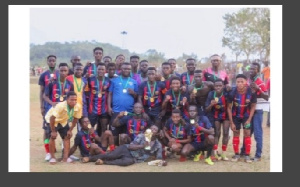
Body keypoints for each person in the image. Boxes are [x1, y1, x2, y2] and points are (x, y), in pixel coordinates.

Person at [81, 125, 163, 166]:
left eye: (155, 129)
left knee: (125, 163)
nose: (152, 130)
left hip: (134, 158)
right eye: (151, 128)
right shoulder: (142, 136)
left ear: (158, 133)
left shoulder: (158, 145)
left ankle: (104, 162)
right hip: (126, 149)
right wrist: (142, 146)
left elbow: (159, 158)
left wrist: (162, 162)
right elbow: (131, 146)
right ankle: (90, 158)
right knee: (111, 155)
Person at [240, 62, 269, 162]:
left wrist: (258, 89)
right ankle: (243, 151)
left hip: (257, 111)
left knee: (257, 133)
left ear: (258, 70)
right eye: (250, 69)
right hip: (248, 111)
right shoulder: (248, 80)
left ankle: (258, 155)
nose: (252, 70)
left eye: (254, 69)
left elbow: (266, 96)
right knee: (247, 131)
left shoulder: (260, 81)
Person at [45, 91, 82, 164]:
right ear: (67, 100)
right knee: (53, 137)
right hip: (52, 121)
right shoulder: (61, 106)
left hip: (63, 121)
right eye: (71, 100)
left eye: (75, 100)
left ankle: (66, 158)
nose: (74, 101)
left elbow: (75, 119)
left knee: (67, 137)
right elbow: (52, 118)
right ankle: (52, 158)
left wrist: (70, 130)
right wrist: (53, 131)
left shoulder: (78, 106)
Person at [227, 74, 257, 163]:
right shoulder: (232, 92)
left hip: (246, 116)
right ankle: (236, 154)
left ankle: (247, 155)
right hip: (235, 116)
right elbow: (228, 108)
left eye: (242, 82)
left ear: (246, 82)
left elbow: (253, 106)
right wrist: (231, 122)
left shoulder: (251, 92)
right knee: (236, 133)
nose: (239, 83)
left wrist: (249, 119)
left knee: (247, 133)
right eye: (238, 82)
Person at [108, 62, 138, 145]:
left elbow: (137, 97)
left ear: (130, 70)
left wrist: (134, 93)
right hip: (116, 110)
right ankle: (113, 151)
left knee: (126, 133)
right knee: (114, 132)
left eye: (128, 69)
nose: (126, 70)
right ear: (121, 69)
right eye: (125, 68)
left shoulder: (134, 82)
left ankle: (124, 150)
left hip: (129, 112)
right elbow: (110, 94)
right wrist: (109, 107)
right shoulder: (114, 81)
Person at [38, 55, 59, 161]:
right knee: (47, 130)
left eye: (53, 61)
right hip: (47, 107)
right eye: (50, 60)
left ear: (56, 62)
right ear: (47, 62)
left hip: (59, 107)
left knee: (58, 128)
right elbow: (41, 92)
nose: (51, 62)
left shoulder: (60, 73)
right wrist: (41, 106)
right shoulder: (43, 75)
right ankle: (47, 152)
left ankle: (54, 147)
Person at [205, 79, 230, 161]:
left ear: (223, 86)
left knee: (226, 133)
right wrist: (211, 105)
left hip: (226, 115)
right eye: (216, 86)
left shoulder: (226, 93)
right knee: (217, 133)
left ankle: (223, 153)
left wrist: (229, 87)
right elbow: (207, 109)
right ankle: (215, 153)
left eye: (220, 86)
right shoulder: (211, 94)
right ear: (214, 87)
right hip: (216, 116)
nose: (218, 87)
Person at [87, 63, 110, 136]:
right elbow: (86, 92)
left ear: (105, 71)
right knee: (90, 128)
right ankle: (88, 144)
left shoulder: (108, 81)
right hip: (92, 109)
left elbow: (110, 94)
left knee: (104, 128)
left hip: (104, 109)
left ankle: (103, 145)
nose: (100, 71)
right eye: (99, 69)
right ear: (96, 70)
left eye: (102, 69)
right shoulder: (90, 79)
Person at [66, 63, 88, 131]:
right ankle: (65, 141)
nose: (78, 71)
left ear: (82, 71)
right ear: (73, 70)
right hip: (70, 107)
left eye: (80, 70)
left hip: (81, 107)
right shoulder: (68, 78)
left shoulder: (84, 80)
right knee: (67, 128)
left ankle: (80, 141)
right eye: (77, 69)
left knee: (82, 127)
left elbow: (85, 93)